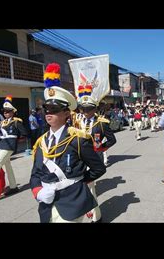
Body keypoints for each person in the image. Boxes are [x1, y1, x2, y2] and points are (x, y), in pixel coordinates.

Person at [30, 63, 106, 223]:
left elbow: (98, 168)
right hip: (47, 204)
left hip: (72, 202)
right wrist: (37, 191)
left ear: (66, 113)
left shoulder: (78, 139)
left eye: (54, 109)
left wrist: (76, 182)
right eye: (46, 109)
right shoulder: (40, 142)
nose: (49, 113)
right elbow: (35, 173)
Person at [78, 94, 117, 223]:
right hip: (78, 159)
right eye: (83, 109)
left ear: (95, 109)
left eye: (88, 109)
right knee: (83, 187)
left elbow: (112, 140)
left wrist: (100, 148)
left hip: (92, 159)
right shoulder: (77, 121)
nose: (85, 112)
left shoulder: (101, 123)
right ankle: (90, 211)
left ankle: (96, 216)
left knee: (89, 187)